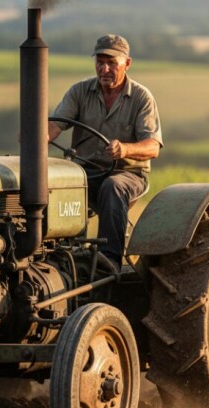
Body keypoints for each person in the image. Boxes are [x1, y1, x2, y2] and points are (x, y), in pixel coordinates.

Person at [48, 34, 163, 269]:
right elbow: (54, 126)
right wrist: (38, 136)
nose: (105, 69)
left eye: (112, 63)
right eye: (100, 62)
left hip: (128, 174)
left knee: (113, 185)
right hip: (86, 171)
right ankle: (59, 253)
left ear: (127, 63)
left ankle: (109, 260)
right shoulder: (80, 92)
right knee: (53, 181)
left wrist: (125, 149)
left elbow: (152, 146)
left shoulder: (141, 98)